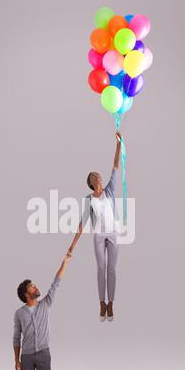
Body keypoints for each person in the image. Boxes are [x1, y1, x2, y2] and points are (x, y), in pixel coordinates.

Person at [13, 252, 72, 370]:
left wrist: (65, 262)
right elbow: (16, 337)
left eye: (34, 285)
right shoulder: (19, 313)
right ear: (26, 293)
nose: (36, 287)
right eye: (32, 286)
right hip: (27, 357)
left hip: (44, 354)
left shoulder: (45, 304)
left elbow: (56, 283)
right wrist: (17, 360)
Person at [68, 131, 122, 322]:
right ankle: (101, 302)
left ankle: (111, 303)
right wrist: (72, 246)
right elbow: (82, 224)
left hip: (113, 233)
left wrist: (118, 143)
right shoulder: (88, 200)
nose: (97, 176)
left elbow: (115, 166)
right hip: (99, 236)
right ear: (90, 183)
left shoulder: (109, 190)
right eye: (93, 176)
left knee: (112, 270)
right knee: (101, 268)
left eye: (98, 174)